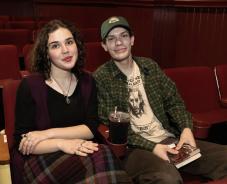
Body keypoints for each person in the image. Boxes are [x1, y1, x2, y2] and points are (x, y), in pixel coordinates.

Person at [93, 16, 227, 183]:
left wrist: (186, 129)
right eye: (111, 39)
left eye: (123, 36)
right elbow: (115, 128)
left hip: (169, 138)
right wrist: (153, 147)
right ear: (104, 46)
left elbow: (175, 102)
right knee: (168, 179)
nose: (118, 42)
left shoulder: (150, 66)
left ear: (132, 40)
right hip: (134, 149)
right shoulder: (101, 78)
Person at [11, 19, 132, 184]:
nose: (65, 50)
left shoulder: (88, 80)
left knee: (103, 156)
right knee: (103, 158)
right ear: (46, 53)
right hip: (42, 158)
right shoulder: (30, 86)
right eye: (55, 45)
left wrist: (48, 134)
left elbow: (90, 128)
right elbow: (23, 141)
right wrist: (61, 144)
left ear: (77, 45)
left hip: (80, 150)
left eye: (69, 42)